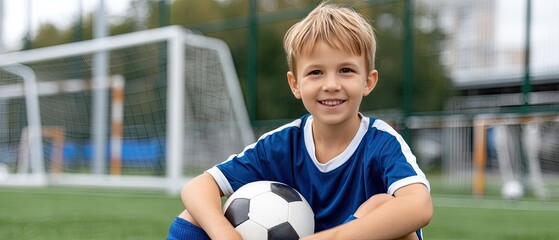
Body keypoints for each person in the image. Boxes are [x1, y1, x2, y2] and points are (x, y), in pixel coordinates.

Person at [167, 2, 432, 240]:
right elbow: (198, 186)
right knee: (198, 214)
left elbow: (419, 206)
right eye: (316, 72)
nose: (331, 85)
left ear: (368, 81)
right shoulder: (282, 143)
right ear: (295, 84)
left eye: (346, 70)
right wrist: (224, 233)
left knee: (383, 205)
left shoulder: (382, 143)